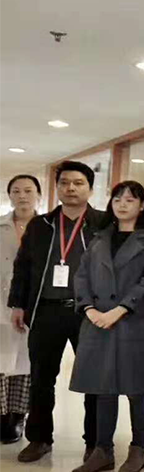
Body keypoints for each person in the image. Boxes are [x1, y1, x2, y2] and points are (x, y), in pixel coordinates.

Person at [8, 161, 105, 463]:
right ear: (57, 188)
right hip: (46, 310)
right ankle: (39, 439)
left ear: (90, 189)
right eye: (64, 183)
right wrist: (18, 304)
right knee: (41, 378)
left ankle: (95, 443)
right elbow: (23, 266)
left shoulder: (104, 224)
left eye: (78, 183)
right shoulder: (42, 225)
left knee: (94, 379)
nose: (70, 188)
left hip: (89, 312)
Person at [69, 181, 144, 472]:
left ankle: (139, 448)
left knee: (136, 388)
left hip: (135, 321)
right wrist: (89, 309)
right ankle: (102, 450)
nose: (122, 204)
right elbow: (81, 276)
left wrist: (120, 309)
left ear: (143, 205)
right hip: (97, 321)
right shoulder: (99, 238)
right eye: (117, 199)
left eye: (130, 200)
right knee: (102, 388)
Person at [1, 175, 42, 444]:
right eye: (16, 191)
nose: (22, 196)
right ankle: (1, 415)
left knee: (26, 362)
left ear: (38, 194)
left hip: (32, 305)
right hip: (0, 302)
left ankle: (17, 416)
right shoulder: (1, 225)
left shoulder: (46, 228)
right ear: (9, 196)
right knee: (1, 360)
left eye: (28, 190)